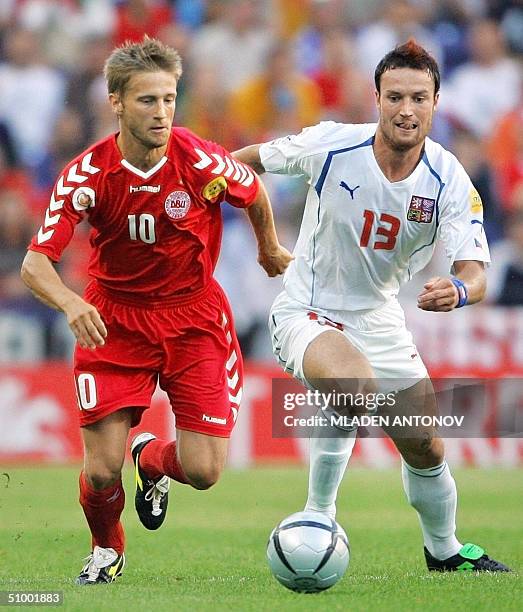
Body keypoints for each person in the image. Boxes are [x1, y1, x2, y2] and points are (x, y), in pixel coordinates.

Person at [21, 36, 292, 585]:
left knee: (205, 470)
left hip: (193, 319)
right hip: (113, 321)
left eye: (169, 98)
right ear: (116, 102)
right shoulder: (87, 175)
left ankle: (151, 461)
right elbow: (34, 263)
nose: (162, 112)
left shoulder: (200, 160)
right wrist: (70, 302)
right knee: (99, 471)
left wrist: (269, 249)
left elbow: (254, 188)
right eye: (147, 100)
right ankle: (106, 549)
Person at [233, 40, 511, 572]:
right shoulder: (333, 145)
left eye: (419, 98)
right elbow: (244, 166)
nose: (407, 110)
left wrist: (455, 290)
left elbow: (475, 272)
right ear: (376, 99)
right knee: (352, 384)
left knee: (426, 447)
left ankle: (444, 552)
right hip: (307, 309)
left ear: (435, 103)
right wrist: (256, 234)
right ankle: (318, 516)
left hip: (380, 318)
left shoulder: (449, 179)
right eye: (396, 97)